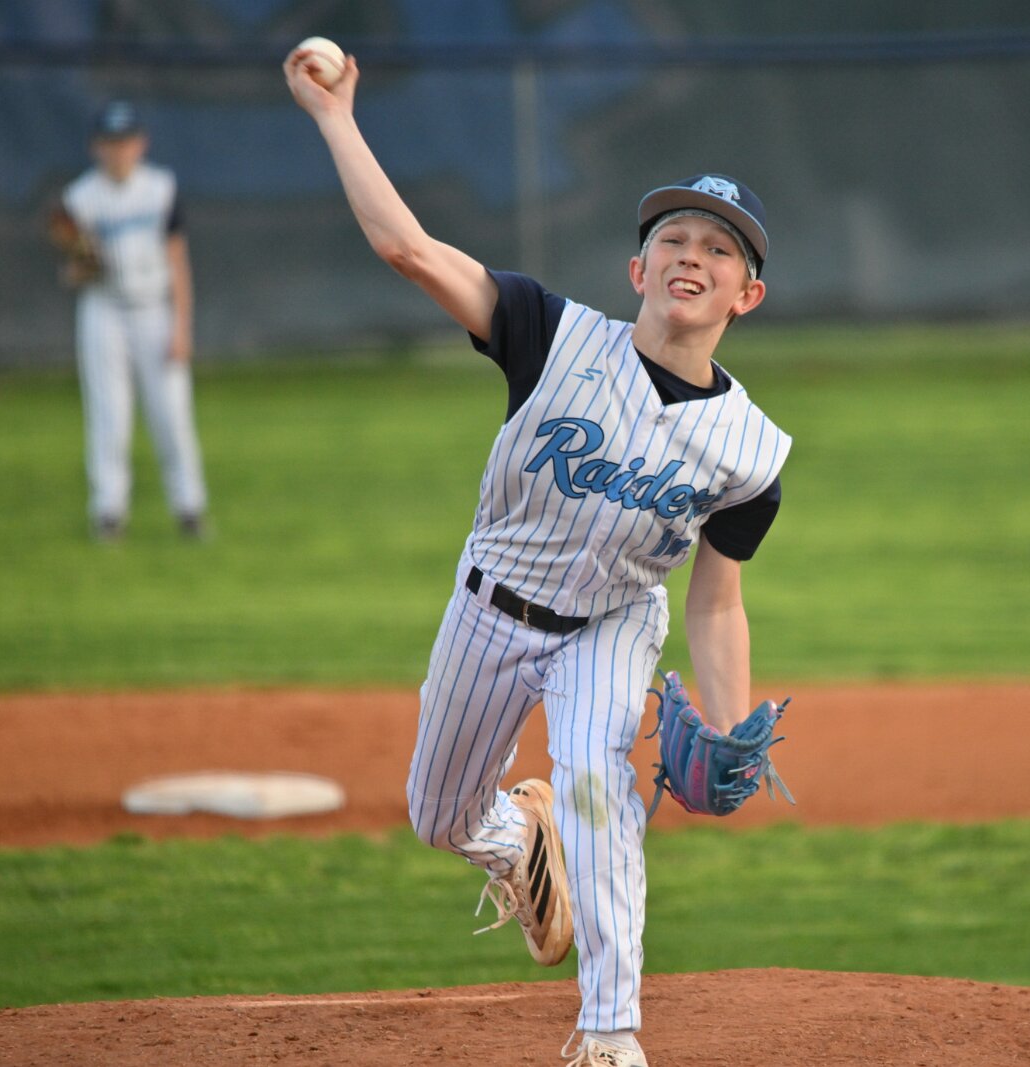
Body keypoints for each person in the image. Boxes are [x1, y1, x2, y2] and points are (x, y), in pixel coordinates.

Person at [286, 46, 791, 1067]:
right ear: (638, 271)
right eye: (673, 237)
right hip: (490, 608)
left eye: (720, 248)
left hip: (612, 624)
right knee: (438, 816)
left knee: (598, 793)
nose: (692, 255)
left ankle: (609, 1033)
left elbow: (716, 600)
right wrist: (335, 116)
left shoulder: (751, 454)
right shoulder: (547, 333)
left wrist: (726, 718)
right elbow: (408, 250)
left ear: (747, 294)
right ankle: (519, 839)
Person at [59, 100, 208, 541]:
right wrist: (80, 267)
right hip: (103, 311)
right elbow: (72, 271)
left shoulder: (160, 189)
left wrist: (182, 327)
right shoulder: (79, 198)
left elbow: (178, 261)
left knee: (172, 415)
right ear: (95, 147)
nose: (118, 151)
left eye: (125, 141)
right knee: (109, 416)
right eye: (110, 142)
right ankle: (108, 512)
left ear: (141, 144)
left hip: (154, 309)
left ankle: (189, 509)